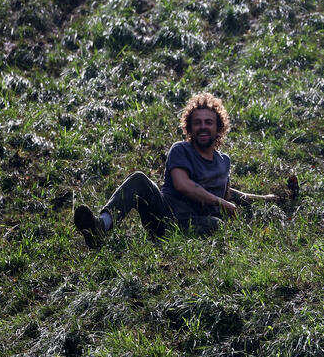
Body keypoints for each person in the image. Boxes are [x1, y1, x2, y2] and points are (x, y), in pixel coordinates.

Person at [73, 92, 296, 247]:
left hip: (196, 223)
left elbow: (229, 195)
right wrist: (222, 203)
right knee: (140, 180)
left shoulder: (224, 162)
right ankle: (100, 227)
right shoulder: (180, 150)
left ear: (219, 127)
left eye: (208, 122)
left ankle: (167, 241)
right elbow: (183, 185)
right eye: (197, 122)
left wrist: (271, 198)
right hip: (164, 216)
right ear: (189, 127)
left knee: (216, 224)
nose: (203, 127)